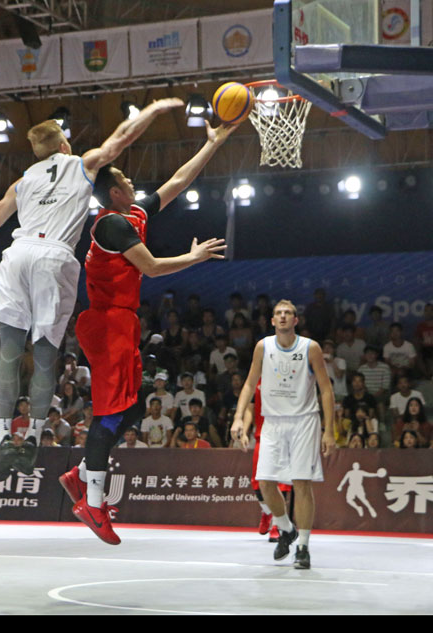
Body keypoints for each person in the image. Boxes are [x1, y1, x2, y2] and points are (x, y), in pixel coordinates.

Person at [0, 98, 188, 480]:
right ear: (64, 145)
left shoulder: (22, 182)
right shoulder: (80, 164)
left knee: (8, 353)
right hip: (54, 258)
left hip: (17, 254)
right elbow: (120, 140)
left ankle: (3, 439)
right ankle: (32, 441)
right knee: (44, 355)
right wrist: (150, 111)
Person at [58, 119, 235, 545]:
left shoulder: (133, 214)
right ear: (114, 193)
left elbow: (178, 182)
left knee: (134, 407)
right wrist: (194, 257)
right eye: (125, 180)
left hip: (122, 321)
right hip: (106, 322)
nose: (133, 182)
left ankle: (80, 474)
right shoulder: (110, 224)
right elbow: (152, 268)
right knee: (110, 413)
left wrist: (213, 144)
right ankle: (93, 504)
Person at [231, 300, 336, 570]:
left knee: (302, 483)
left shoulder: (310, 348)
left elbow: (326, 390)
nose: (283, 317)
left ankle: (303, 546)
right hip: (273, 422)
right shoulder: (263, 347)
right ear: (272, 320)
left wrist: (329, 431)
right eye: (278, 313)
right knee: (265, 483)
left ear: (296, 320)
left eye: (288, 313)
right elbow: (249, 384)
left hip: (304, 421)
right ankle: (286, 528)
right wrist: (238, 417)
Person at [239, 380, 294, 543]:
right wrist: (245, 431)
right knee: (258, 483)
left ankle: (277, 525)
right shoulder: (257, 381)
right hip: (263, 437)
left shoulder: (287, 379)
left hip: (285, 437)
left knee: (282, 483)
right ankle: (267, 511)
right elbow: (250, 408)